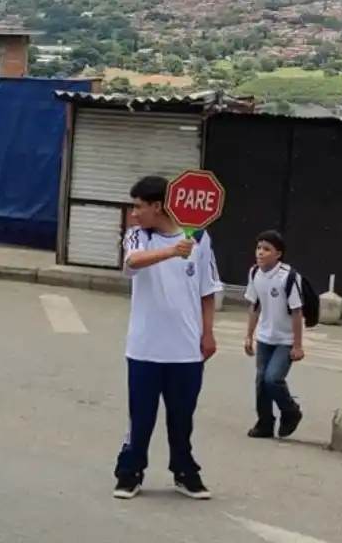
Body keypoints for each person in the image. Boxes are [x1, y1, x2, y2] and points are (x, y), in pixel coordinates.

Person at [114, 175, 221, 501]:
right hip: (145, 347)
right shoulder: (138, 236)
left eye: (138, 207)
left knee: (181, 418)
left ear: (158, 205)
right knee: (141, 418)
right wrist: (173, 251)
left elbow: (207, 291)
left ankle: (184, 472)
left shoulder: (200, 239)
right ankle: (129, 472)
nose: (134, 214)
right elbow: (131, 263)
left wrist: (208, 333)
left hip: (186, 349)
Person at [243, 230, 305, 439]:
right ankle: (265, 422)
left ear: (278, 254)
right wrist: (248, 336)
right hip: (265, 337)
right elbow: (254, 306)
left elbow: (297, 311)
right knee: (261, 381)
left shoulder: (288, 277)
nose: (260, 253)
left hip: (285, 340)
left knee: (273, 379)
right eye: (259, 248)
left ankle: (291, 411)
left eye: (266, 249)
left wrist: (297, 345)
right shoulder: (255, 273)